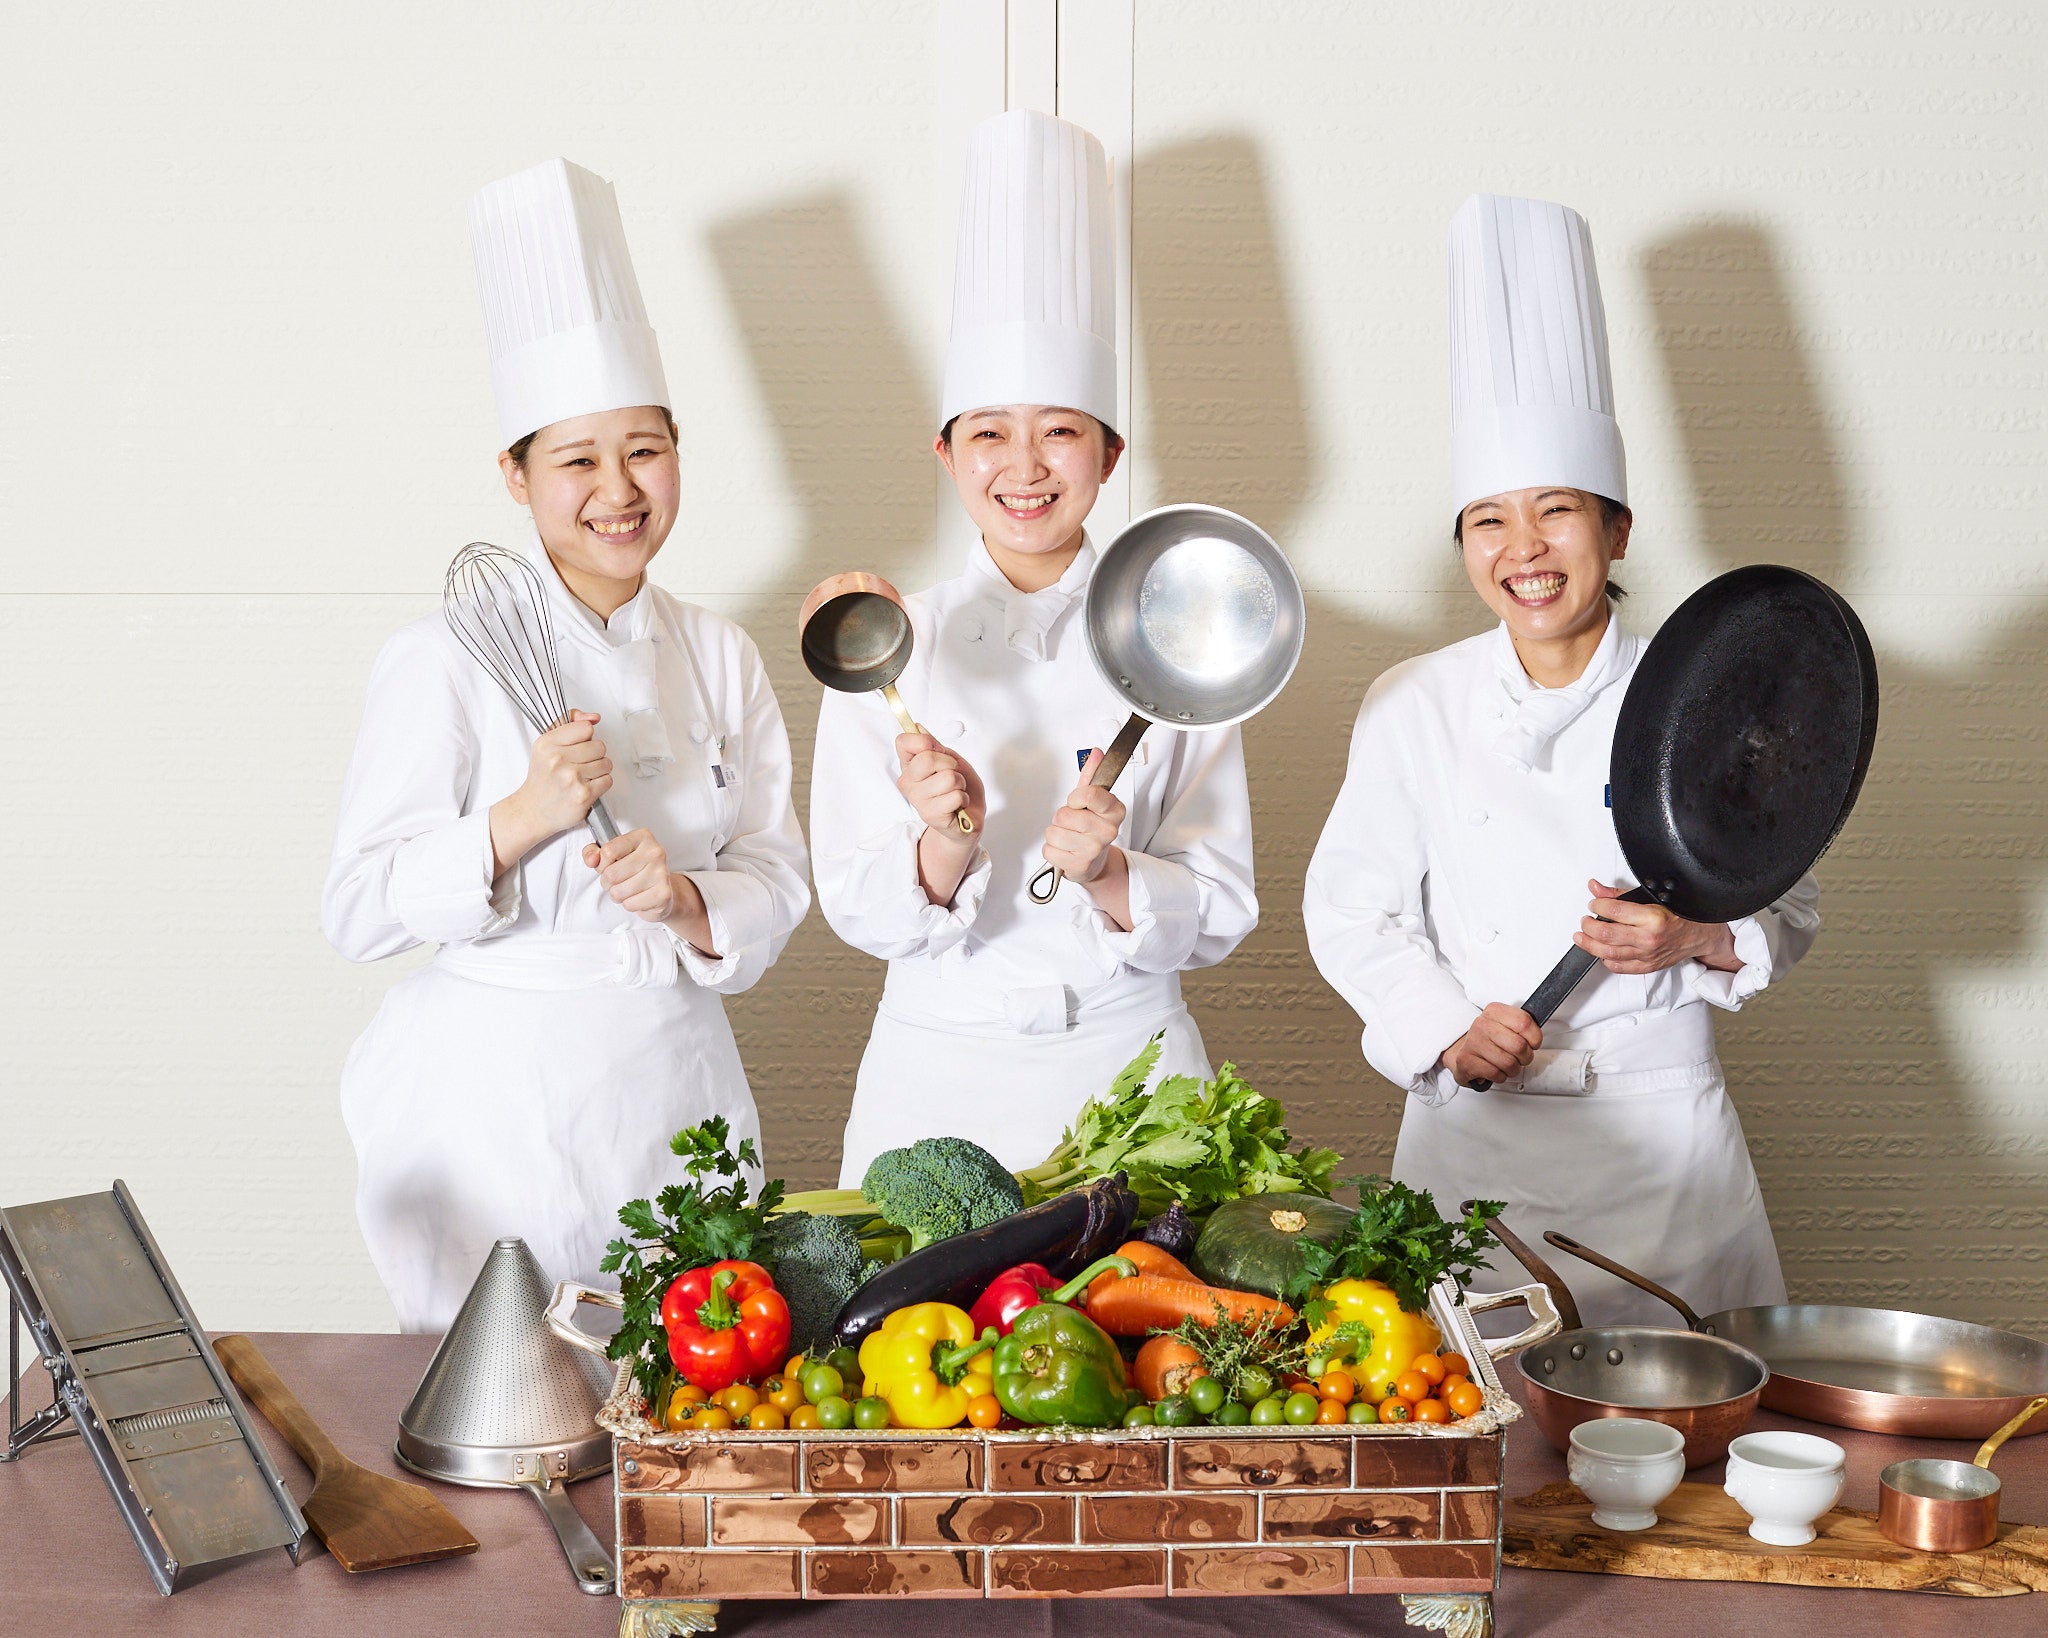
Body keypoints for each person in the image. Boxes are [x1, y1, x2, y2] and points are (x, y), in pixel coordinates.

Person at [1303, 194, 1819, 1327]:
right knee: (1465, 1426)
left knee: (1687, 1429)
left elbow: (1788, 905)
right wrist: (1444, 1026)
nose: (1524, 549)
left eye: (1557, 511)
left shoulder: (1706, 696)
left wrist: (1691, 937)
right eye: (1488, 519)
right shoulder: (1413, 702)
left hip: (1666, 1151)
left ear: (1617, 529)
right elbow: (1351, 911)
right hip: (1471, 1153)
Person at [322, 159, 809, 1331]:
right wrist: (518, 820)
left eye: (644, 450)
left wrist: (686, 900)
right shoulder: (441, 656)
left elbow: (777, 873)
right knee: (498, 1399)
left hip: (677, 1087)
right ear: (515, 475)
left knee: (687, 1381)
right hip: (494, 1100)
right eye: (576, 460)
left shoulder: (718, 652)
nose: (617, 490)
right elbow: (357, 911)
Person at [810, 110, 1258, 1184]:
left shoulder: (1184, 640)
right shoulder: (885, 644)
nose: (1023, 467)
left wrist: (1110, 873)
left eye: (1059, 430)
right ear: (945, 453)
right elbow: (858, 909)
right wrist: (942, 844)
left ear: (1108, 453)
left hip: (1135, 1076)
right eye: (988, 433)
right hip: (935, 1073)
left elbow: (1222, 906)